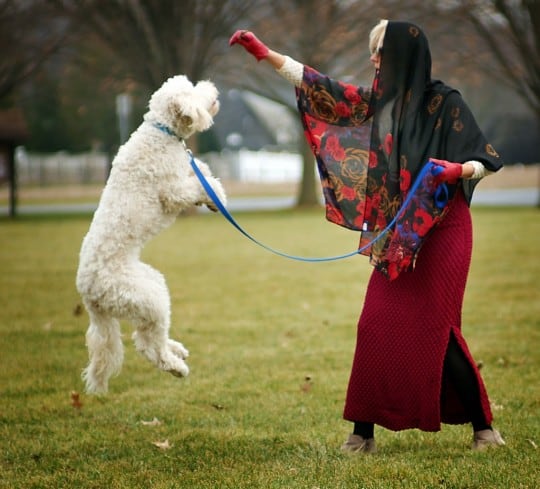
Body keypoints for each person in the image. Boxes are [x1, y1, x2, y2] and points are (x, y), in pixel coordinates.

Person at [229, 19, 505, 452]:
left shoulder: (447, 102)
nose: (373, 59)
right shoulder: (381, 103)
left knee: (439, 327)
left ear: (403, 56)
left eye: (380, 51)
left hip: (445, 228)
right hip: (399, 231)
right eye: (372, 51)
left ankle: (484, 429)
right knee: (374, 323)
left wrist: (459, 170)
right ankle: (362, 434)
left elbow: (484, 159)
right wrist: (266, 55)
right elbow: (324, 89)